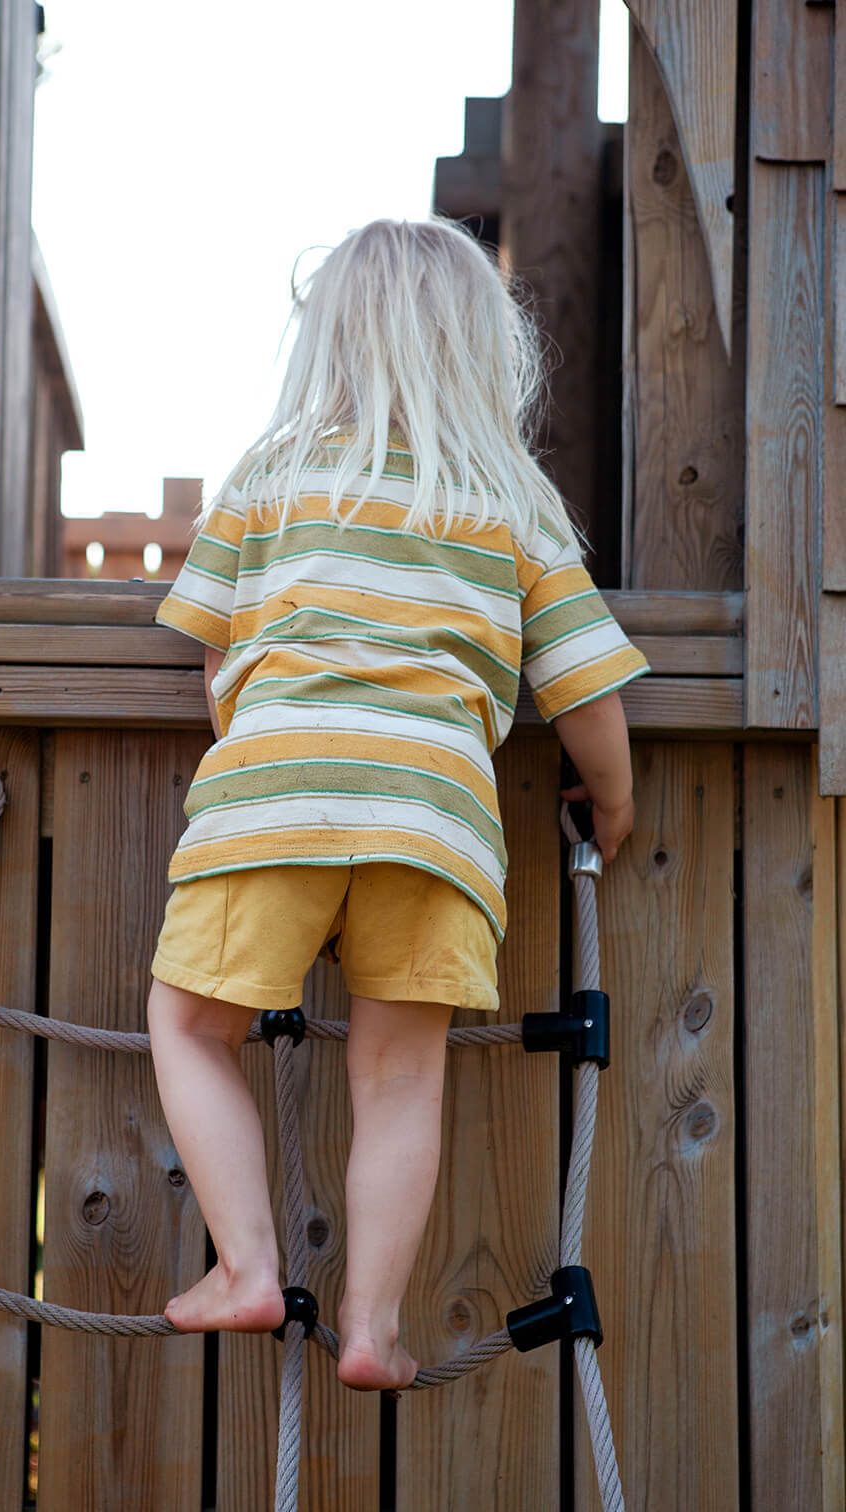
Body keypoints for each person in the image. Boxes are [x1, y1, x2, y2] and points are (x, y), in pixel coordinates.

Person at [146, 217, 647, 1392]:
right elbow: (585, 692)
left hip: (269, 801)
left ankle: (247, 1267)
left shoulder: (272, 477)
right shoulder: (509, 496)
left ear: (324, 342)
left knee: (191, 1026)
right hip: (436, 822)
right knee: (399, 1079)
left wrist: (266, 725)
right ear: (484, 352)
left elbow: (209, 658)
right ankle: (370, 1327)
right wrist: (609, 808)